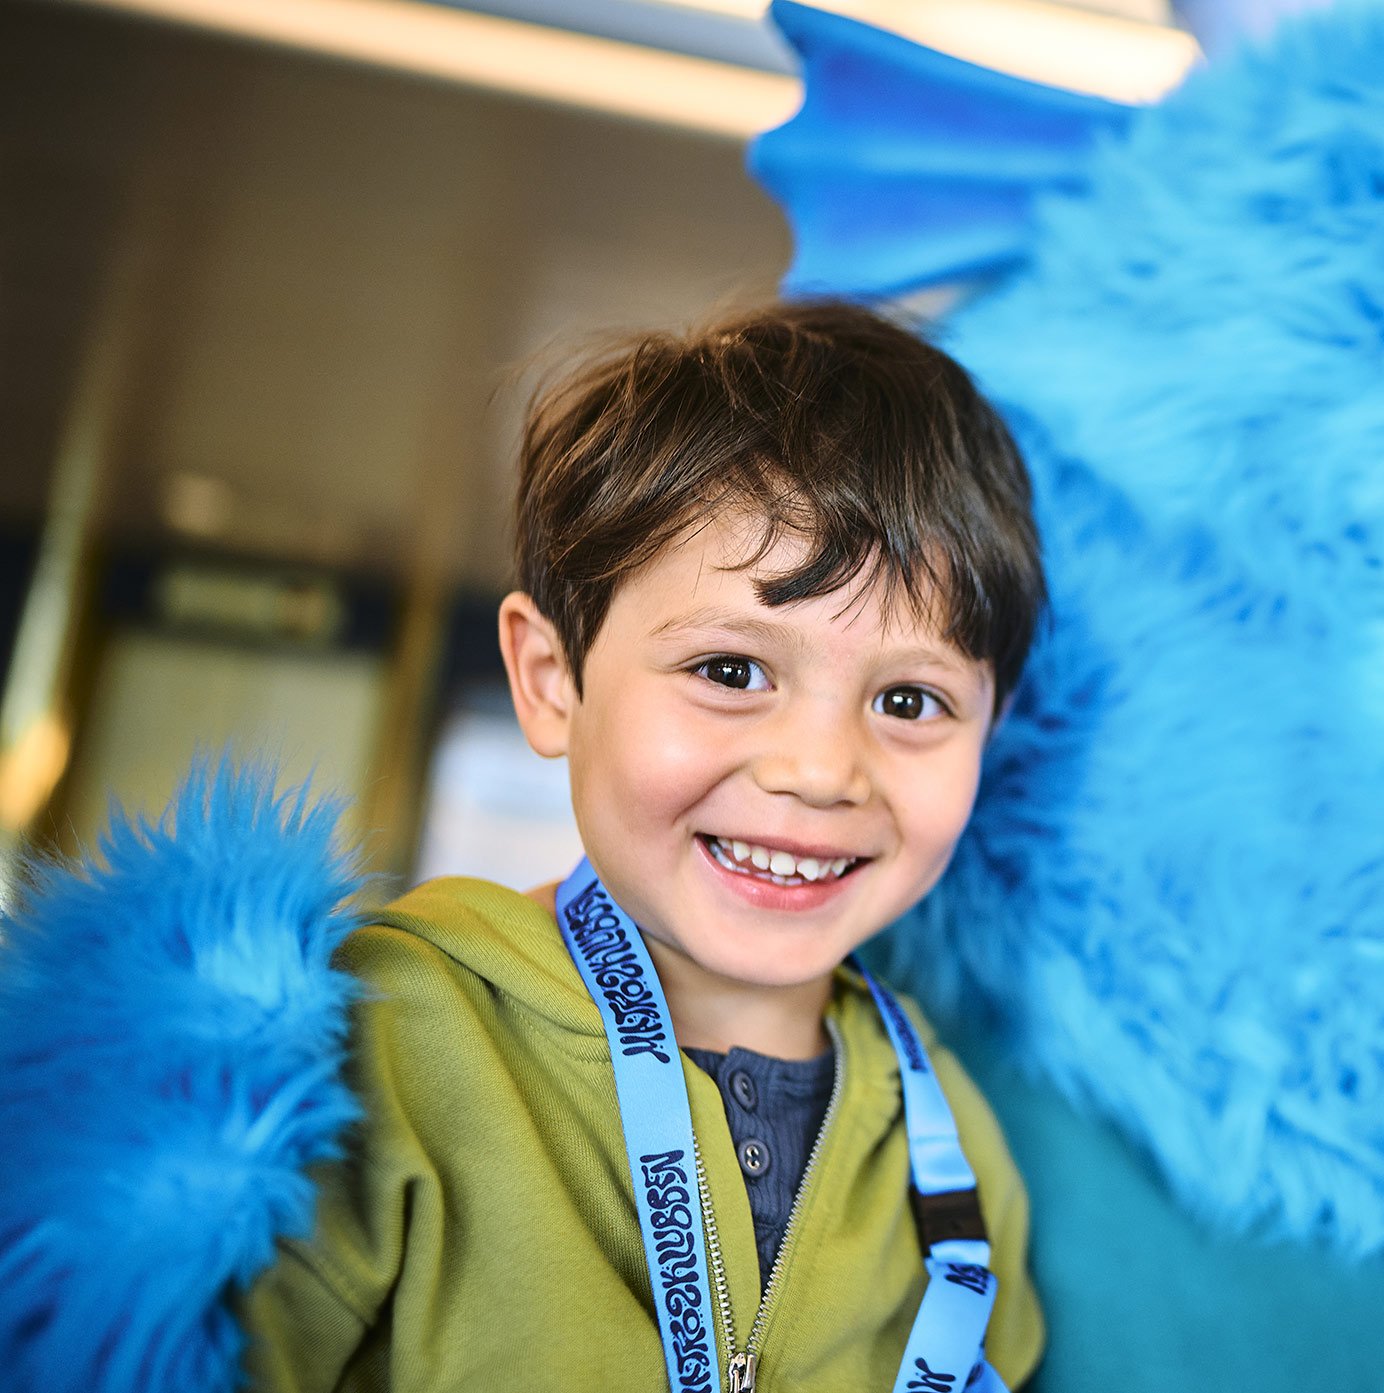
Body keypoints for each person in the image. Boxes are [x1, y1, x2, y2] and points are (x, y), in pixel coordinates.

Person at [243, 300, 1048, 1391]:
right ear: (550, 679)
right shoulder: (371, 1042)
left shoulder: (958, 1153)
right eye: (729, 672)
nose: (819, 770)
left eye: (910, 698)